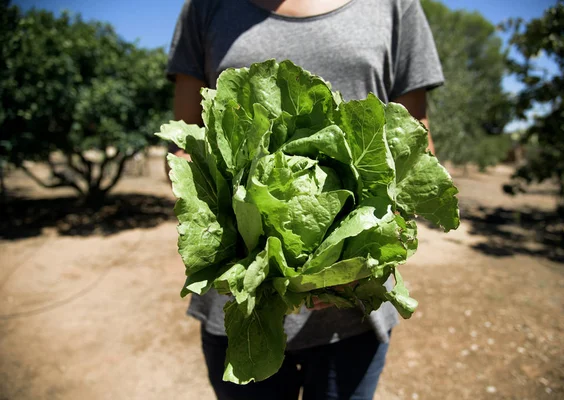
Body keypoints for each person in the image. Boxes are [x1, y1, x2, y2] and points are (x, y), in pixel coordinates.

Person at [166, 0, 444, 399]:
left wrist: (361, 259)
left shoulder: (395, 6)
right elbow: (185, 140)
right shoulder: (207, 7)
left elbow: (414, 142)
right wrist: (201, 197)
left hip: (354, 308)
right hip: (243, 300)